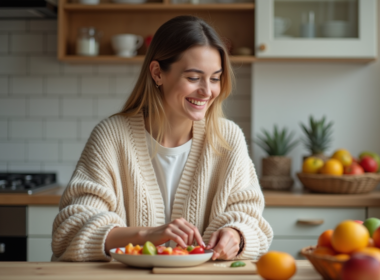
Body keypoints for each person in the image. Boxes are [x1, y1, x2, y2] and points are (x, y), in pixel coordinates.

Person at [51, 15, 273, 262]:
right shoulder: (111, 137)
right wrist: (147, 234)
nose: (207, 91)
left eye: (215, 78)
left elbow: (253, 221)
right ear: (157, 73)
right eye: (193, 77)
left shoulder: (228, 138)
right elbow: (70, 229)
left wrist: (236, 235)